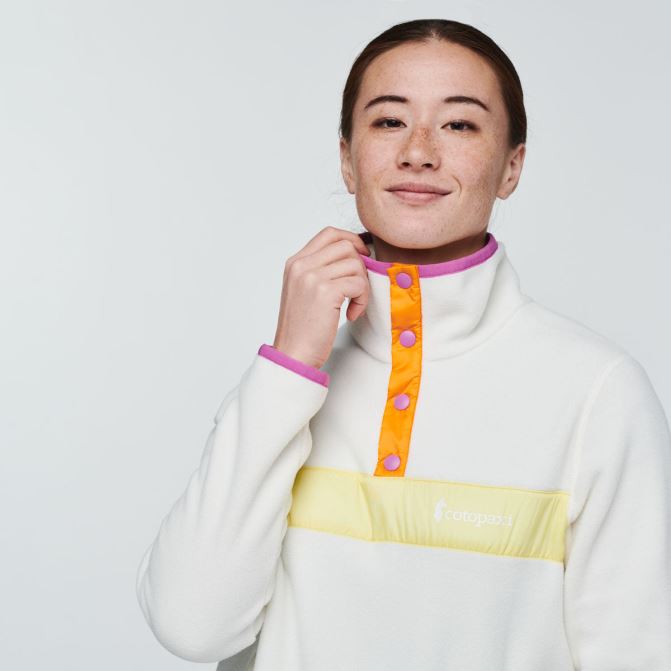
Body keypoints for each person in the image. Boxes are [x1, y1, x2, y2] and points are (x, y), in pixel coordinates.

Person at [135, 18, 671, 670]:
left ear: (511, 166)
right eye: (389, 121)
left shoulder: (597, 391)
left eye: (459, 124)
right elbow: (192, 627)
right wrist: (289, 364)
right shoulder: (287, 385)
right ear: (347, 158)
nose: (418, 151)